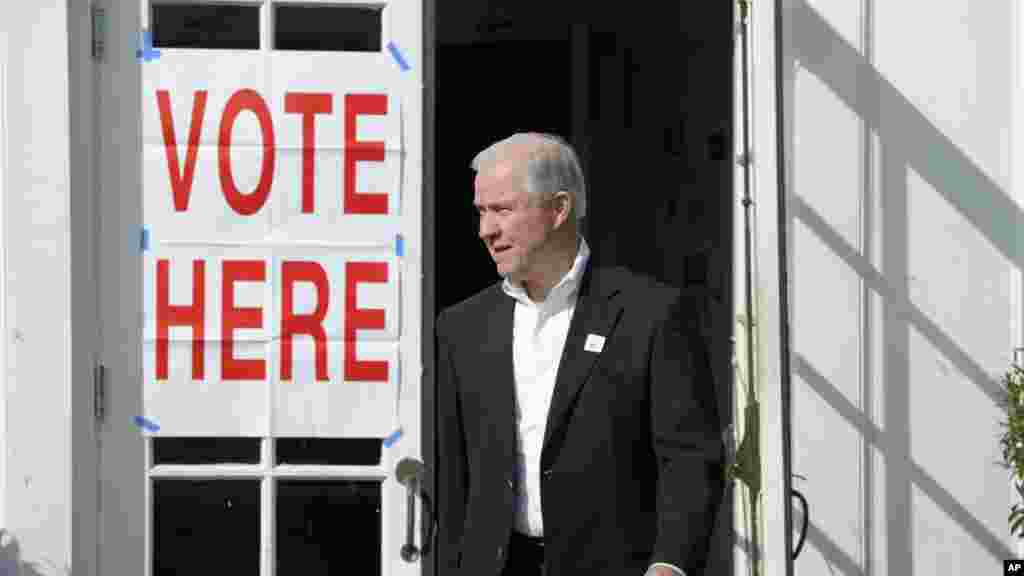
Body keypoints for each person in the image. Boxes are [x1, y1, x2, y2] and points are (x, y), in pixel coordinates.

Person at [435, 132, 723, 576]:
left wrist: (669, 566)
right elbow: (456, 482)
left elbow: (689, 460)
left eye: (501, 210)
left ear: (559, 209)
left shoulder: (649, 313)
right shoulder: (462, 327)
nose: (485, 230)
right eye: (481, 212)